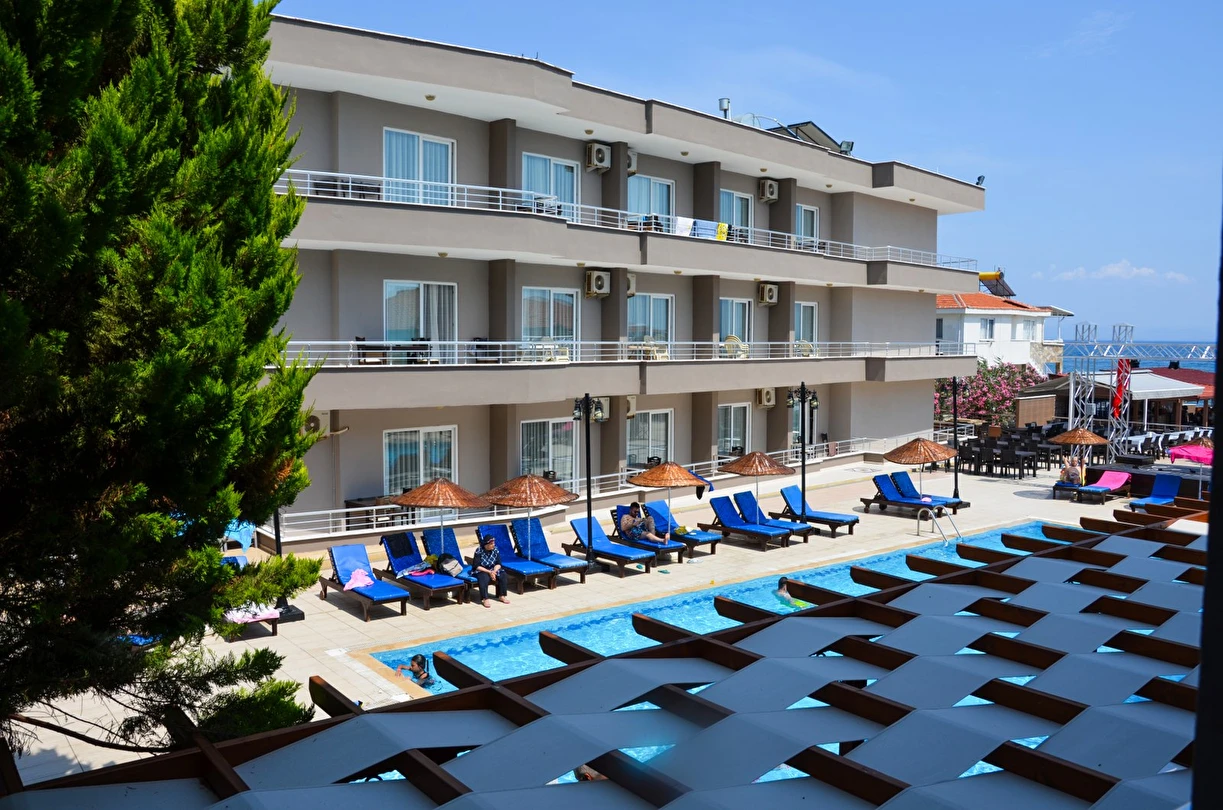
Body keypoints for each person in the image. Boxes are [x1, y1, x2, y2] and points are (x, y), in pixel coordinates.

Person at [473, 533, 510, 608]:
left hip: (493, 568)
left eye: (493, 543)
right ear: (486, 544)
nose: (493, 545)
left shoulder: (495, 549)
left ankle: (502, 595)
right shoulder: (479, 550)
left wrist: (494, 571)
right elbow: (476, 566)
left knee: (503, 574)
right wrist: (489, 572)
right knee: (483, 578)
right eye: (491, 544)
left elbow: (499, 563)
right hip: (482, 569)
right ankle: (485, 598)